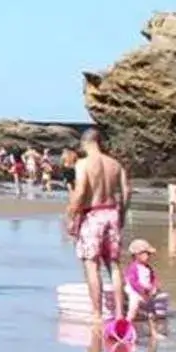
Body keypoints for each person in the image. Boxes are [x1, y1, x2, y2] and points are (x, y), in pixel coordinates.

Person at [65, 127, 130, 318]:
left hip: (93, 214)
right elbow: (126, 192)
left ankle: (96, 314)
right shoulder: (115, 164)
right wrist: (122, 214)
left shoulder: (83, 164)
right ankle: (120, 314)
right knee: (114, 265)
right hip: (112, 213)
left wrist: (71, 216)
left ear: (85, 143)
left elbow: (80, 192)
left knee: (91, 264)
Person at [121, 238, 164, 326]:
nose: (148, 256)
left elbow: (153, 278)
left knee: (152, 313)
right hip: (135, 293)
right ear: (137, 255)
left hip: (146, 293)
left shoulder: (148, 268)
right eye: (146, 254)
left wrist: (154, 287)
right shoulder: (133, 267)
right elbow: (133, 282)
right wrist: (142, 290)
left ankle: (154, 332)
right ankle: (127, 326)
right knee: (133, 309)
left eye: (149, 254)